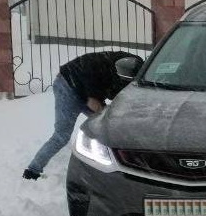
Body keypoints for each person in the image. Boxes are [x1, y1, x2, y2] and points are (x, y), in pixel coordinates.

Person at [23, 51, 141, 180]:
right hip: (68, 86)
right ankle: (32, 171)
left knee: (110, 126)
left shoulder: (139, 76)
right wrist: (96, 101)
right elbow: (92, 95)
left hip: (88, 92)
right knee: (61, 135)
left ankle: (119, 167)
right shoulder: (124, 66)